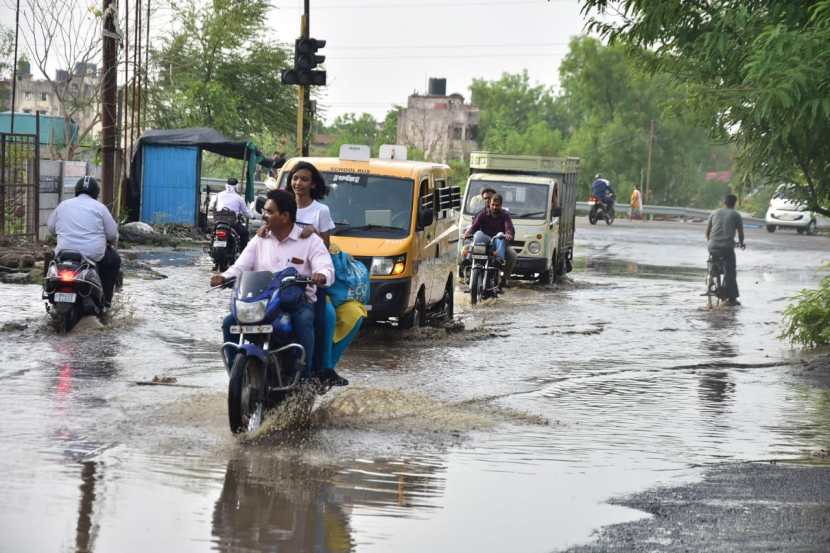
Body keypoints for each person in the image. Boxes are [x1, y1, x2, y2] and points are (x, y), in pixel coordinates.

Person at [210, 189, 347, 385]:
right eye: (264, 211)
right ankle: (236, 377)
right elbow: (241, 266)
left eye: (269, 212)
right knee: (229, 323)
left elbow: (326, 268)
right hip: (262, 302)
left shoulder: (310, 240)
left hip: (295, 302)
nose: (264, 215)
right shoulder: (260, 239)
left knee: (305, 320)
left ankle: (304, 377)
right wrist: (223, 277)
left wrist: (321, 275)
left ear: (285, 216)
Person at [47, 176, 121, 307]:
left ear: (76, 190)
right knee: (114, 260)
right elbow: (112, 234)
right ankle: (106, 301)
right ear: (96, 193)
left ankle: (48, 291)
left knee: (50, 260)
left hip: (64, 253)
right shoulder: (100, 208)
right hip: (92, 255)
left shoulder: (63, 205)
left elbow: (51, 228)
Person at [464, 194, 517, 286]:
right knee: (464, 250)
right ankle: (468, 274)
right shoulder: (483, 214)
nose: (495, 207)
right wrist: (468, 233)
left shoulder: (505, 215)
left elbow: (508, 227)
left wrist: (508, 234)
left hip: (498, 242)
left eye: (497, 205)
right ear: (490, 204)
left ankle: (504, 278)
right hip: (483, 242)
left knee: (512, 255)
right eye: (493, 205)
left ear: (501, 205)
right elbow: (474, 226)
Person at [281, 161, 335, 247]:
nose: (298, 183)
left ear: (313, 184)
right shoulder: (282, 206)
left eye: (304, 179)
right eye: (295, 178)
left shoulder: (322, 210)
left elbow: (326, 247)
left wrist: (314, 232)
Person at [705, 194, 745, 306]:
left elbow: (707, 233)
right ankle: (731, 298)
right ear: (734, 203)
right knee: (730, 270)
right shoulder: (736, 215)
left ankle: (713, 275)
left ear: (724, 202)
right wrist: (741, 243)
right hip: (727, 247)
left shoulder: (714, 213)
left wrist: (711, 242)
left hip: (712, 246)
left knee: (713, 262)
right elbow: (740, 233)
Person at [214, 177, 253, 250]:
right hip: (232, 223)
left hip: (218, 222)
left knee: (212, 233)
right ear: (236, 186)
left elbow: (210, 207)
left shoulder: (218, 195)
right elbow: (246, 212)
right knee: (245, 233)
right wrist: (252, 216)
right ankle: (242, 253)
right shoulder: (239, 198)